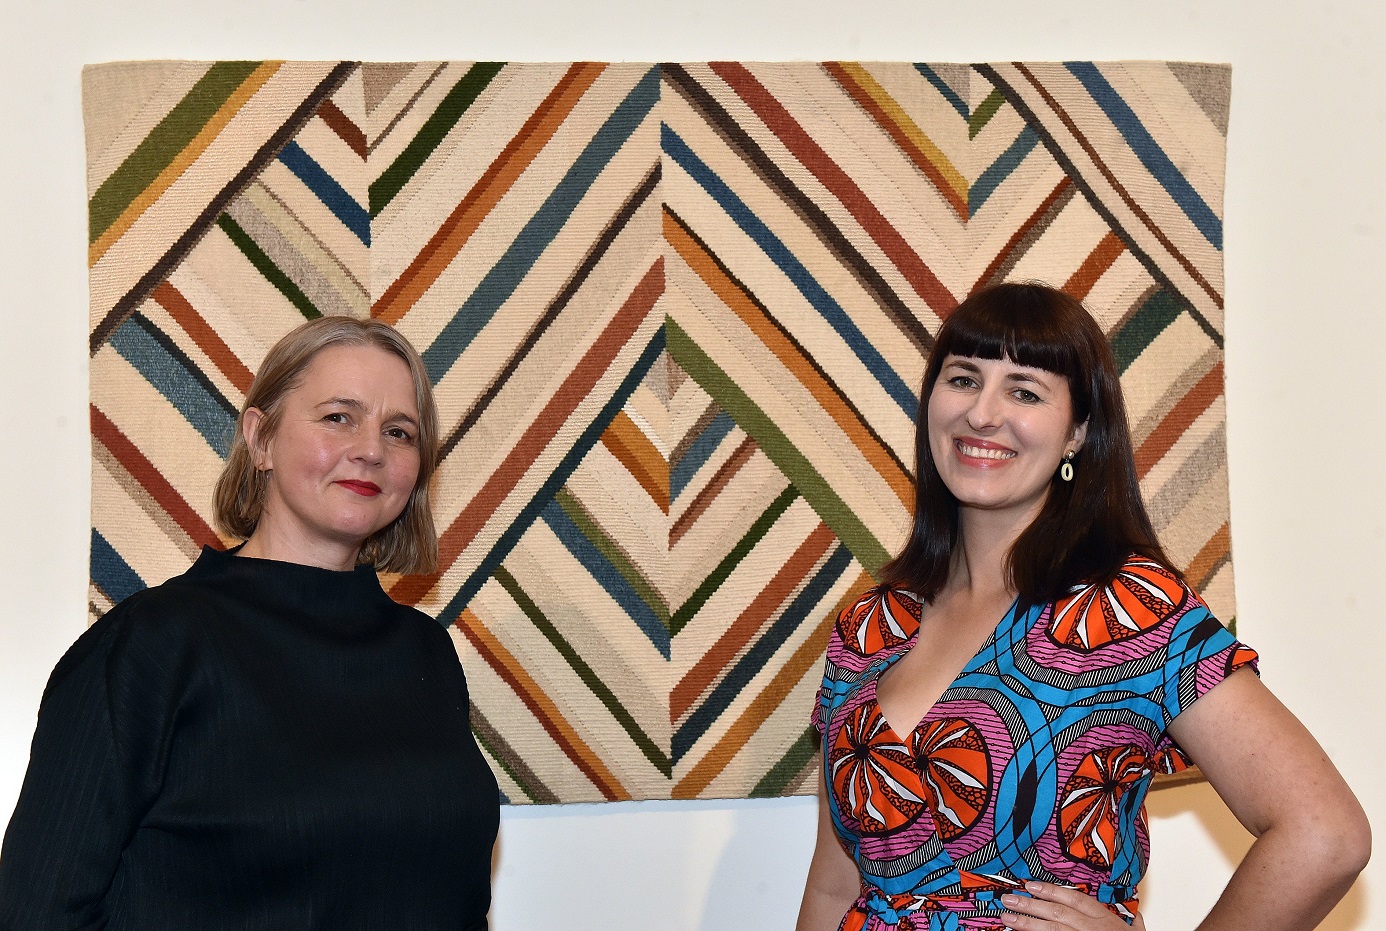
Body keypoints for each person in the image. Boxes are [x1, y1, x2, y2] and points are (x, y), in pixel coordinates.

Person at [795, 283, 1369, 931]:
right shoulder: (866, 629)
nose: (982, 414)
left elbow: (1325, 834)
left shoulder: (1130, 610)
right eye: (963, 379)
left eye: (1024, 390)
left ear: (1077, 434)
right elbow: (831, 886)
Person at [0, 316, 500, 929]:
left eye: (400, 432)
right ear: (260, 440)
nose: (372, 449)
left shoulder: (426, 654)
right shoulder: (146, 649)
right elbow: (36, 913)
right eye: (338, 417)